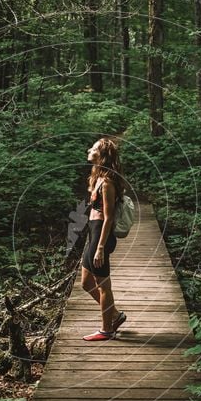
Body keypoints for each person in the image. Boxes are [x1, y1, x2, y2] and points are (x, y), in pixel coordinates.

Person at [81, 137, 128, 341]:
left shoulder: (107, 181)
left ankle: (107, 329)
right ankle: (115, 315)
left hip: (102, 234)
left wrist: (100, 247)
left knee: (103, 285)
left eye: (93, 148)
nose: (89, 150)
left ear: (101, 155)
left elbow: (108, 217)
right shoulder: (97, 177)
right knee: (85, 282)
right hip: (93, 232)